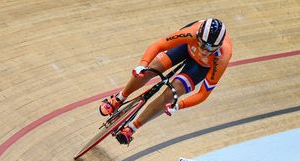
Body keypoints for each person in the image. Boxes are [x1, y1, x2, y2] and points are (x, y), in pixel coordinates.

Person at [99, 18, 232, 144]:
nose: (204, 51)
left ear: (218, 46)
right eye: (202, 45)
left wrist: (179, 105)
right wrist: (142, 65)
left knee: (171, 94)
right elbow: (158, 45)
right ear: (198, 36)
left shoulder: (222, 58)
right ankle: (119, 98)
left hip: (201, 67)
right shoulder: (191, 33)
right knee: (150, 69)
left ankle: (132, 128)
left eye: (210, 49)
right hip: (186, 47)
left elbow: (203, 94)